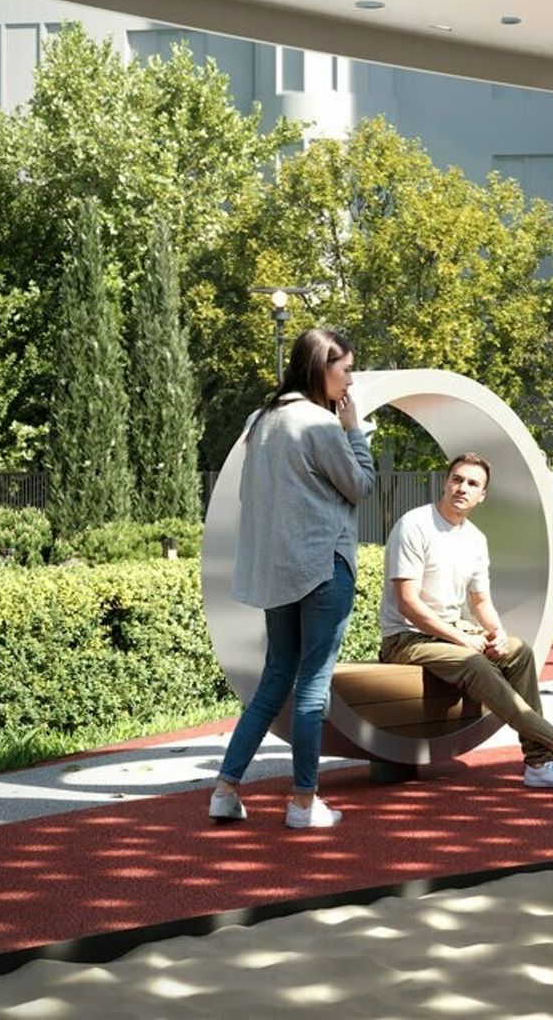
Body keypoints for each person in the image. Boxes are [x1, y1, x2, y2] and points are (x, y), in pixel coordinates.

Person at [211, 328, 374, 830]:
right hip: (322, 565)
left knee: (274, 680)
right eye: (346, 368)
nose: (350, 380)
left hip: (277, 570)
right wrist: (354, 431)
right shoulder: (320, 424)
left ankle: (225, 790)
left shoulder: (259, 420)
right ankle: (304, 802)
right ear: (321, 367)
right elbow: (360, 485)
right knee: (311, 688)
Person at [378, 454, 553, 788]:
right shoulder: (415, 525)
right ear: (445, 482)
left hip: (449, 632)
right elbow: (408, 604)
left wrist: (497, 632)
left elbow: (480, 601)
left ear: (482, 495)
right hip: (406, 638)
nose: (462, 488)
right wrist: (463, 639)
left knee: (519, 652)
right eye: (457, 479)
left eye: (472, 483)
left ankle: (538, 763)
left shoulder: (475, 539)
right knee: (475, 663)